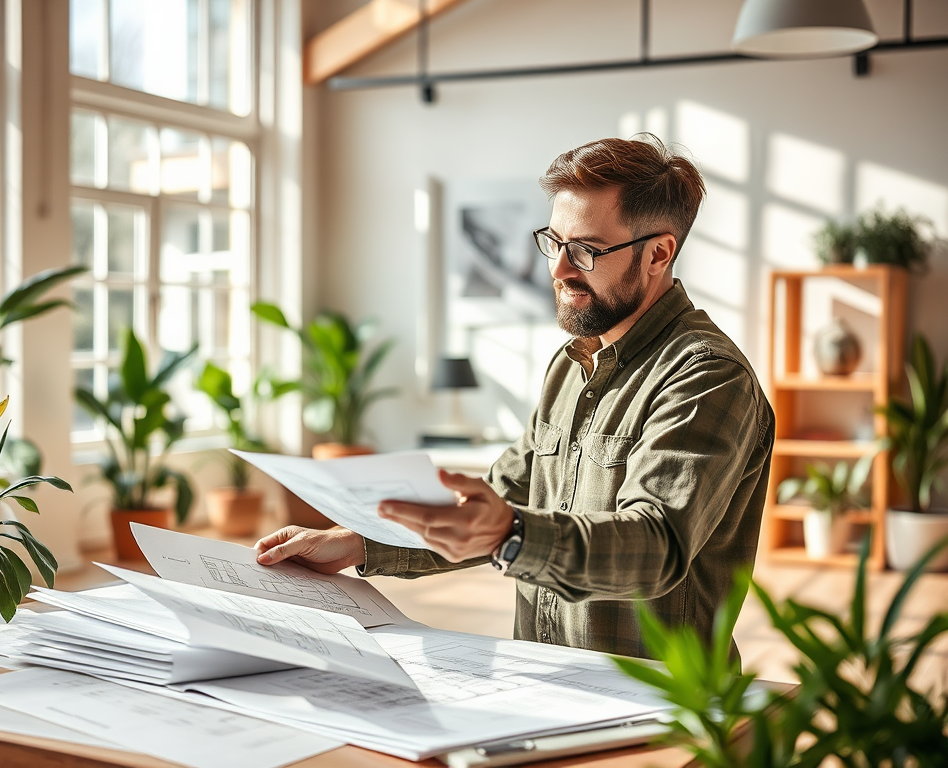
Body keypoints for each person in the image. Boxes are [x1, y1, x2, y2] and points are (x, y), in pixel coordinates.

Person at [255, 134, 775, 662]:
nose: (558, 269)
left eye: (587, 251)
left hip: (661, 704)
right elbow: (502, 495)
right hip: (548, 682)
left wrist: (511, 531)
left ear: (658, 254)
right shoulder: (570, 365)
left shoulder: (706, 375)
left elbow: (654, 547)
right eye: (554, 241)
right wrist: (358, 542)